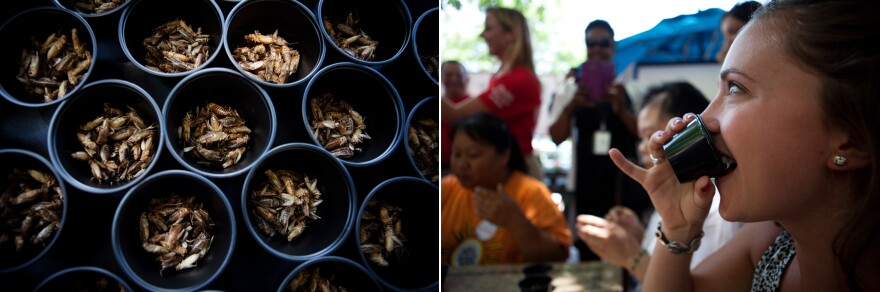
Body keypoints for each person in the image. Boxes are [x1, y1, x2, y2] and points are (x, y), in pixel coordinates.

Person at [609, 0, 880, 290]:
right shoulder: (768, 241)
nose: (703, 119)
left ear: (853, 140)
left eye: (735, 88)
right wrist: (678, 227)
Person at [575, 82, 743, 286]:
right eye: (641, 138)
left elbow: (683, 285)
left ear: (692, 131)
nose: (643, 148)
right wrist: (639, 235)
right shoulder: (678, 190)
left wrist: (631, 256)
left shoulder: (717, 205)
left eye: (650, 135)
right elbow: (667, 257)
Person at [548, 19, 640, 261]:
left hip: (621, 183)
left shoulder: (630, 85)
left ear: (613, 47)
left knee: (624, 244)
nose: (597, 49)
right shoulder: (573, 87)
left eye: (603, 43)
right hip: (585, 181)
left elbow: (645, 134)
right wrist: (572, 107)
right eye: (591, 44)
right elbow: (556, 137)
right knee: (588, 244)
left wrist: (620, 109)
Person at [441, 113, 571, 266]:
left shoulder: (532, 193)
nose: (462, 164)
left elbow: (556, 256)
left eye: (473, 155)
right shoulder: (446, 188)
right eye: (457, 154)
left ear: (504, 155)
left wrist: (515, 221)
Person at [442, 7, 544, 180]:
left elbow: (455, 116)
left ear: (510, 34)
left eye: (489, 28)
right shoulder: (501, 78)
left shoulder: (517, 81)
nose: (483, 35)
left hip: (516, 172)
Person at [441, 60, 471, 177]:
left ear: (467, 79)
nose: (454, 80)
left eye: (459, 75)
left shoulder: (474, 106)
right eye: (448, 75)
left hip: (464, 172)